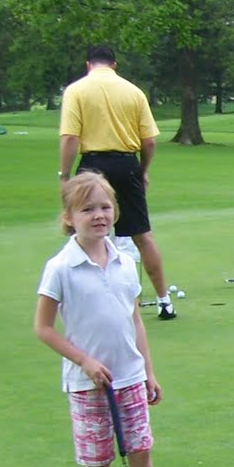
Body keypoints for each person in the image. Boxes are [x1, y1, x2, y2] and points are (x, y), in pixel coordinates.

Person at [35, 173, 179, 467]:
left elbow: (134, 320)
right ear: (69, 217)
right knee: (98, 461)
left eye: (104, 207)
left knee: (140, 451)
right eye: (87, 209)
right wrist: (83, 360)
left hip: (129, 377)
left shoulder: (125, 260)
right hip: (87, 383)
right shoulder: (61, 267)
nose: (99, 215)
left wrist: (148, 370)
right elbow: (43, 328)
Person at [58, 45, 179, 318]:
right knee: (142, 235)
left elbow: (70, 138)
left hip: (92, 165)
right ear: (114, 65)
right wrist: (143, 170)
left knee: (85, 233)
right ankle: (164, 301)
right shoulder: (133, 91)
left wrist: (65, 176)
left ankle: (86, 299)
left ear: (89, 65)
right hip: (127, 164)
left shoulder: (77, 90)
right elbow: (148, 141)